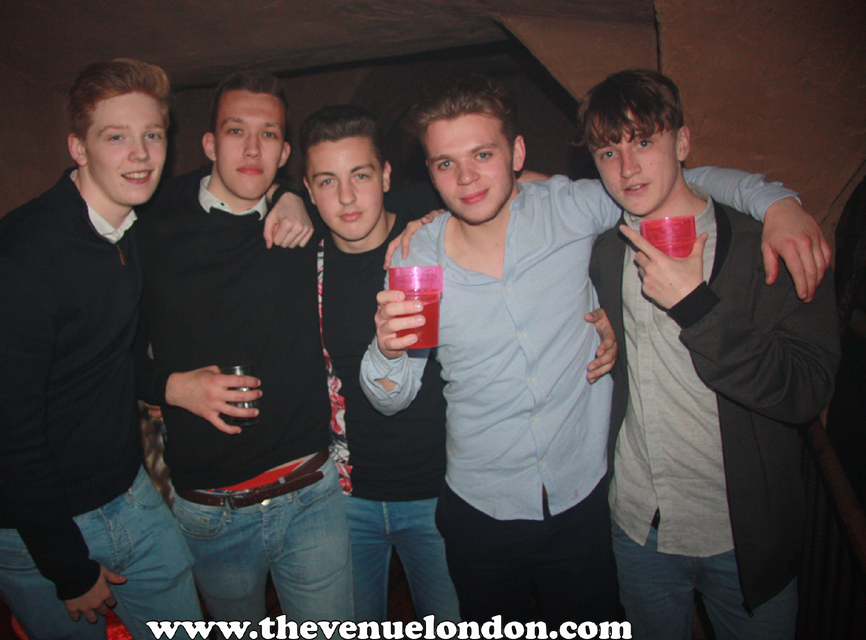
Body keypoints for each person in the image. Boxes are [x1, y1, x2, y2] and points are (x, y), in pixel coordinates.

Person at [360, 72, 831, 626]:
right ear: (430, 171)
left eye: (482, 154)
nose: (466, 178)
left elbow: (673, 182)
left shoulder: (572, 209)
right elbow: (391, 396)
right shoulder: (417, 256)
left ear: (516, 153)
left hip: (584, 501)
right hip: (478, 508)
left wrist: (777, 203)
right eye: (446, 164)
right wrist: (388, 353)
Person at [582, 68, 840, 640]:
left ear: (682, 142)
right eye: (608, 151)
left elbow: (806, 391)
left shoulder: (767, 246)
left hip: (740, 537)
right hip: (638, 526)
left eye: (643, 141)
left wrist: (698, 308)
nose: (627, 168)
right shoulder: (606, 252)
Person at [0, 58, 203, 640]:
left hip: (126, 493)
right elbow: (9, 435)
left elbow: (112, 359)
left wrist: (288, 196)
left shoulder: (127, 227)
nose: (140, 155)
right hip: (36, 524)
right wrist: (66, 566)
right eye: (116, 137)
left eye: (152, 136)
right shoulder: (23, 259)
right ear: (78, 148)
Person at [134, 71, 353, 626]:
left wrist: (294, 195)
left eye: (268, 134)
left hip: (311, 494)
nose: (253, 149)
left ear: (285, 152)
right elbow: (108, 356)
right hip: (212, 513)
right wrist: (173, 387)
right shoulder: (151, 225)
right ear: (209, 144)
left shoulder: (310, 222)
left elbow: (396, 201)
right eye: (236, 131)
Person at [300, 104, 460, 622]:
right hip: (344, 501)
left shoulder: (435, 240)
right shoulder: (300, 263)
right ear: (308, 190)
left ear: (387, 176)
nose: (346, 197)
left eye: (361, 175)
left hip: (441, 492)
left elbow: (525, 196)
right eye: (327, 181)